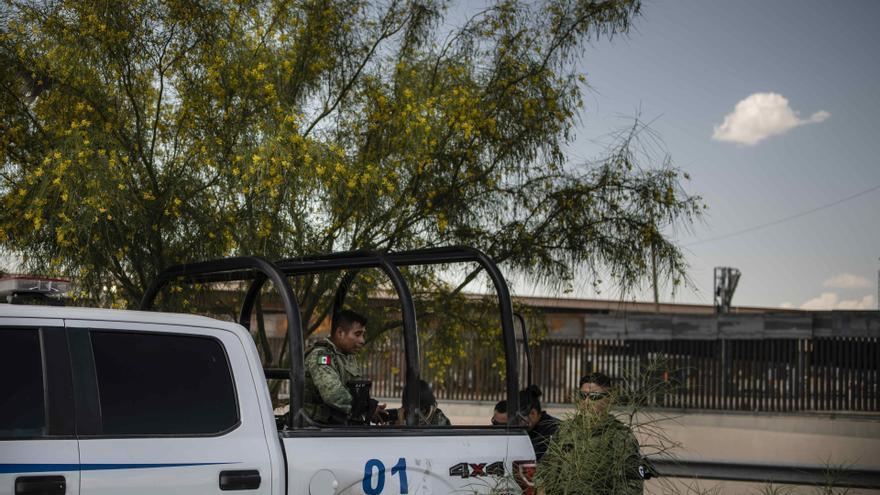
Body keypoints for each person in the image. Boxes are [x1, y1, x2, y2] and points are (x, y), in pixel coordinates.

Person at [302, 309, 385, 424]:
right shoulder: (321, 355)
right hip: (314, 428)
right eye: (357, 334)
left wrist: (370, 409)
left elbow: (353, 391)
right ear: (340, 333)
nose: (362, 340)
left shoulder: (346, 356)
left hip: (338, 425)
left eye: (363, 334)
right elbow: (333, 395)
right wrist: (367, 408)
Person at [578, 372, 651, 494]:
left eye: (594, 396)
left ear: (610, 399)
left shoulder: (621, 438)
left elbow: (632, 487)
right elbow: (545, 470)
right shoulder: (565, 431)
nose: (587, 402)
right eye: (582, 396)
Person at [519, 385, 559, 461]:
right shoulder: (534, 428)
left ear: (533, 413)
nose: (516, 423)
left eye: (519, 419)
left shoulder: (550, 429)